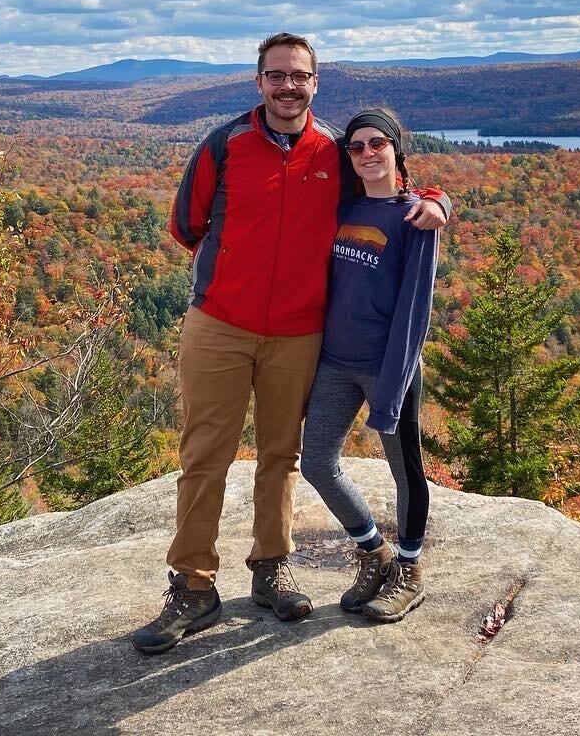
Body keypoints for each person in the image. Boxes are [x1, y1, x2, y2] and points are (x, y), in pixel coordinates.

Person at [132, 34, 449, 655]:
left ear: (315, 83)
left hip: (301, 332)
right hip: (221, 324)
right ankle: (193, 586)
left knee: (281, 454)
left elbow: (389, 194)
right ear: (259, 82)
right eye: (276, 75)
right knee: (205, 455)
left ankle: (271, 567)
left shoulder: (332, 152)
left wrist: (439, 201)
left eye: (299, 76)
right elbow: (184, 226)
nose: (287, 85)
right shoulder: (225, 146)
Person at [299, 109, 437, 623]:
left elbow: (416, 306)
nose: (366, 154)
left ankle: (409, 571)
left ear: (396, 149)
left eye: (376, 143)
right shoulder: (345, 207)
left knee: (406, 471)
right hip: (335, 361)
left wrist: (395, 382)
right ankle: (374, 550)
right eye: (355, 147)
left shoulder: (415, 218)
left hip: (387, 364)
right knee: (316, 462)